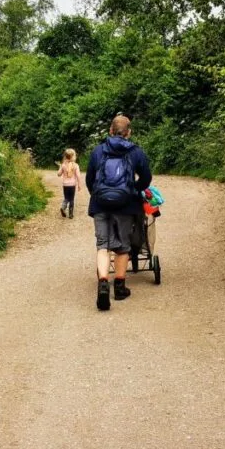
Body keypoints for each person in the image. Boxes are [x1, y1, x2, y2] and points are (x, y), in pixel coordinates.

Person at [86, 115, 152, 311]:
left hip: (100, 204)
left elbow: (90, 179)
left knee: (102, 245)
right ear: (129, 132)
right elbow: (146, 178)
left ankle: (103, 282)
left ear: (110, 130)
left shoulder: (98, 151)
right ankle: (120, 286)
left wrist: (99, 195)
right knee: (123, 245)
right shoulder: (136, 152)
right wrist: (133, 190)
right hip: (126, 205)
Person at [57, 148, 80, 218]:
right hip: (72, 185)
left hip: (65, 185)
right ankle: (70, 214)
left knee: (66, 198)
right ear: (73, 156)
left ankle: (63, 207)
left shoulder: (63, 165)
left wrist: (60, 167)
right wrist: (79, 185)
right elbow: (78, 176)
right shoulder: (76, 165)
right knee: (72, 199)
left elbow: (59, 174)